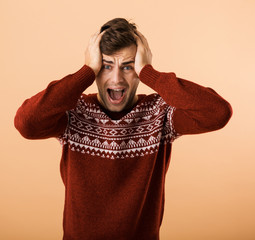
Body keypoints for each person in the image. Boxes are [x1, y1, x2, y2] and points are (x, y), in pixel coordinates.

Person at [14, 18, 232, 240]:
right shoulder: (75, 111)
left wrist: (150, 73)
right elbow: (26, 123)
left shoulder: (159, 113)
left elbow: (218, 113)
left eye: (128, 67)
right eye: (106, 66)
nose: (117, 78)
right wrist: (86, 71)